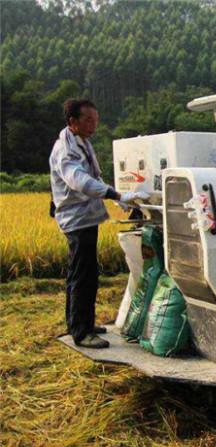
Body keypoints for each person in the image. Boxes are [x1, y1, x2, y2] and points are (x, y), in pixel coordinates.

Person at [49, 98, 147, 348]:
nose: (94, 125)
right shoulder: (66, 150)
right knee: (83, 275)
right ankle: (81, 333)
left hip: (85, 217)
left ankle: (80, 324)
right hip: (77, 220)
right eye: (88, 120)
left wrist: (119, 200)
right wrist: (116, 195)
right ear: (73, 122)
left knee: (83, 274)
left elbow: (95, 176)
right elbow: (80, 181)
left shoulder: (81, 143)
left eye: (96, 120)